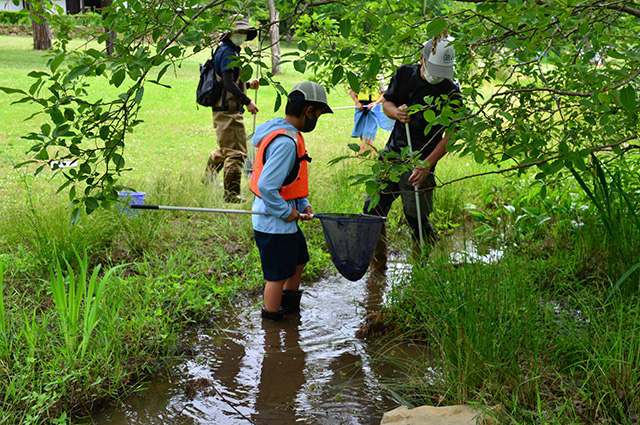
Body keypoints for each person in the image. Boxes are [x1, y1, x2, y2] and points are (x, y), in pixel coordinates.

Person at [363, 36, 463, 269]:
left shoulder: (451, 92)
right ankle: (379, 267)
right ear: (422, 59)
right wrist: (396, 113)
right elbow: (387, 102)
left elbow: (452, 134)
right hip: (392, 155)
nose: (437, 74)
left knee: (417, 218)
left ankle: (422, 267)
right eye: (434, 67)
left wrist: (427, 164)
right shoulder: (404, 74)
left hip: (422, 162)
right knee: (371, 211)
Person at [249, 81, 333, 321]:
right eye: (318, 114)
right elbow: (267, 186)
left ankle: (291, 310)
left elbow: (291, 179)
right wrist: (286, 212)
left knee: (298, 260)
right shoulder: (286, 143)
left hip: (284, 220)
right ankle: (272, 324)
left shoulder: (287, 132)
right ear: (308, 111)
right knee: (276, 275)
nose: (317, 120)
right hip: (273, 222)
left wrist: (303, 203)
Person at [203, 16, 260, 203]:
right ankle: (232, 195)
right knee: (236, 153)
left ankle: (208, 179)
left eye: (244, 32)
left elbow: (229, 79)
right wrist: (247, 101)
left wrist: (248, 84)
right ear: (230, 33)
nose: (242, 35)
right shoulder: (227, 53)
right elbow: (228, 83)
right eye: (239, 32)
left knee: (225, 150)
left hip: (223, 109)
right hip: (228, 110)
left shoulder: (226, 50)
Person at [348, 79, 386, 156]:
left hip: (373, 106)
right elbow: (351, 91)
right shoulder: (359, 76)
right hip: (360, 105)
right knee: (360, 129)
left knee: (370, 129)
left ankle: (362, 149)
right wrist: (357, 102)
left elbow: (384, 93)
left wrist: (376, 102)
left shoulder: (379, 77)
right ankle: (370, 150)